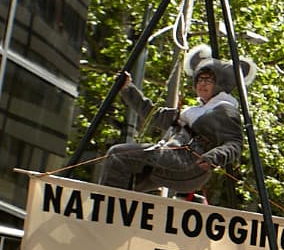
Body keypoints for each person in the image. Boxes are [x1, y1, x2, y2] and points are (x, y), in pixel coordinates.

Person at [99, 45, 250, 193]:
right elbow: (155, 115)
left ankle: (106, 204)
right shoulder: (193, 111)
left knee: (117, 155)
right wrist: (127, 88)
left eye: (209, 80)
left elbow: (235, 143)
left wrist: (214, 157)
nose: (202, 83)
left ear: (220, 85)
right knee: (131, 179)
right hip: (175, 161)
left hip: (188, 163)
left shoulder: (224, 109)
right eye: (199, 79)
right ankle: (118, 210)